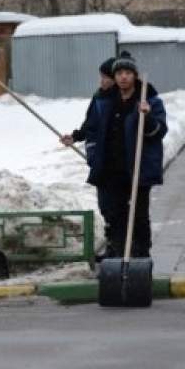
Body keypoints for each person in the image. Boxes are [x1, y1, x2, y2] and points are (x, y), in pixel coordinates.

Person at [81, 51, 167, 260]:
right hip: (110, 170)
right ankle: (118, 254)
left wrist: (146, 118)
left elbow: (159, 132)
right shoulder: (106, 101)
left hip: (136, 170)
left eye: (128, 72)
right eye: (119, 73)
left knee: (138, 217)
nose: (123, 77)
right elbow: (93, 128)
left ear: (135, 75)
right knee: (114, 215)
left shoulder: (149, 100)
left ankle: (140, 256)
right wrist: (92, 153)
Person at [60, 56, 116, 260]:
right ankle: (113, 248)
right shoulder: (100, 97)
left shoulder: (118, 101)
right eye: (101, 77)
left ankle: (123, 249)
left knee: (116, 207)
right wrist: (75, 137)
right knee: (106, 206)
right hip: (99, 161)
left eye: (105, 77)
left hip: (113, 161)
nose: (101, 81)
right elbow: (90, 125)